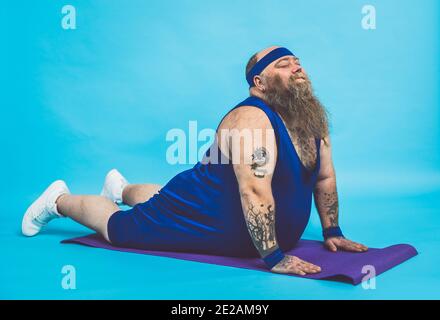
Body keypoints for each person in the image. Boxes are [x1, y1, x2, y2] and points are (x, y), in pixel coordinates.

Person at [22, 46, 368, 276]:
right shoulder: (251, 120)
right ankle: (59, 200)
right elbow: (254, 192)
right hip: (207, 217)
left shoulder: (311, 119)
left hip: (203, 204)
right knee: (120, 229)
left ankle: (122, 188)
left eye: (297, 61)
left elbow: (324, 179)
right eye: (284, 64)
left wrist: (331, 231)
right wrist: (274, 257)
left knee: (164, 201)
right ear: (259, 82)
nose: (297, 66)